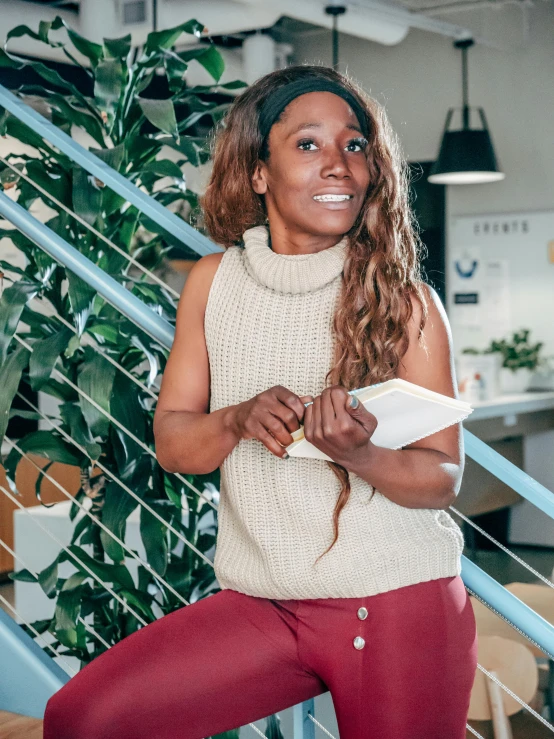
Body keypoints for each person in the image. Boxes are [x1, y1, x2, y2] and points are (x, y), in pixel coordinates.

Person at [43, 64, 477, 739]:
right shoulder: (214, 284)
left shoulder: (407, 301)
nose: (339, 165)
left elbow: (442, 478)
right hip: (265, 601)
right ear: (257, 172)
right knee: (83, 718)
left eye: (354, 145)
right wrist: (237, 418)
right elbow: (175, 443)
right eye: (308, 144)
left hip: (395, 599)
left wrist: (358, 453)